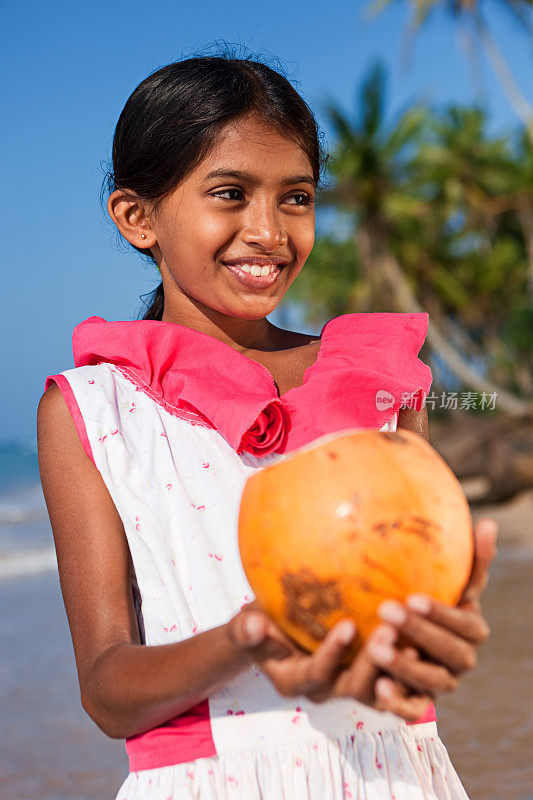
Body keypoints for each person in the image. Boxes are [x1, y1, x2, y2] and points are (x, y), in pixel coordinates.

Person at [37, 53, 497, 800]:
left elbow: (416, 608)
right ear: (137, 217)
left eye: (296, 197)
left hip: (391, 775)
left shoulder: (381, 386)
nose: (268, 231)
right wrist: (252, 633)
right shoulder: (94, 412)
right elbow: (108, 690)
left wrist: (436, 639)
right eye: (229, 193)